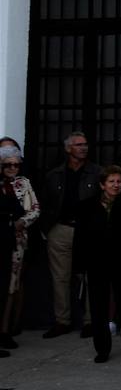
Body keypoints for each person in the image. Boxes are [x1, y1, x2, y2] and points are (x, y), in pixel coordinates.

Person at [41, 130, 101, 338]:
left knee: (89, 276)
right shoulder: (54, 175)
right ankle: (62, 321)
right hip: (61, 229)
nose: (83, 148)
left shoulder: (96, 172)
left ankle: (90, 321)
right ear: (68, 148)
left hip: (87, 229)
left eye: (85, 144)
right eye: (78, 144)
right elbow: (46, 203)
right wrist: (47, 228)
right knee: (60, 277)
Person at [74, 165, 121, 362]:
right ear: (102, 184)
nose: (116, 185)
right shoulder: (87, 207)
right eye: (111, 181)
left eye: (119, 181)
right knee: (98, 307)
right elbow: (80, 239)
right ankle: (102, 349)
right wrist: (79, 266)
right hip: (96, 263)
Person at [1, 144, 41, 351]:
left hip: (17, 241)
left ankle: (6, 330)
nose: (12, 168)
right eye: (8, 165)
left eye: (16, 165)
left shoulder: (24, 183)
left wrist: (22, 222)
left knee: (11, 286)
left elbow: (35, 209)